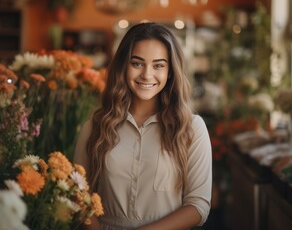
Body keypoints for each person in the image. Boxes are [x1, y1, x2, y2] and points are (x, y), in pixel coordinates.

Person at [74, 22, 212, 230]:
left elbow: (198, 206)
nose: (147, 75)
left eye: (158, 65)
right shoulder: (95, 126)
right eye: (137, 63)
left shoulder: (192, 128)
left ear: (171, 71)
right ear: (123, 66)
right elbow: (78, 193)